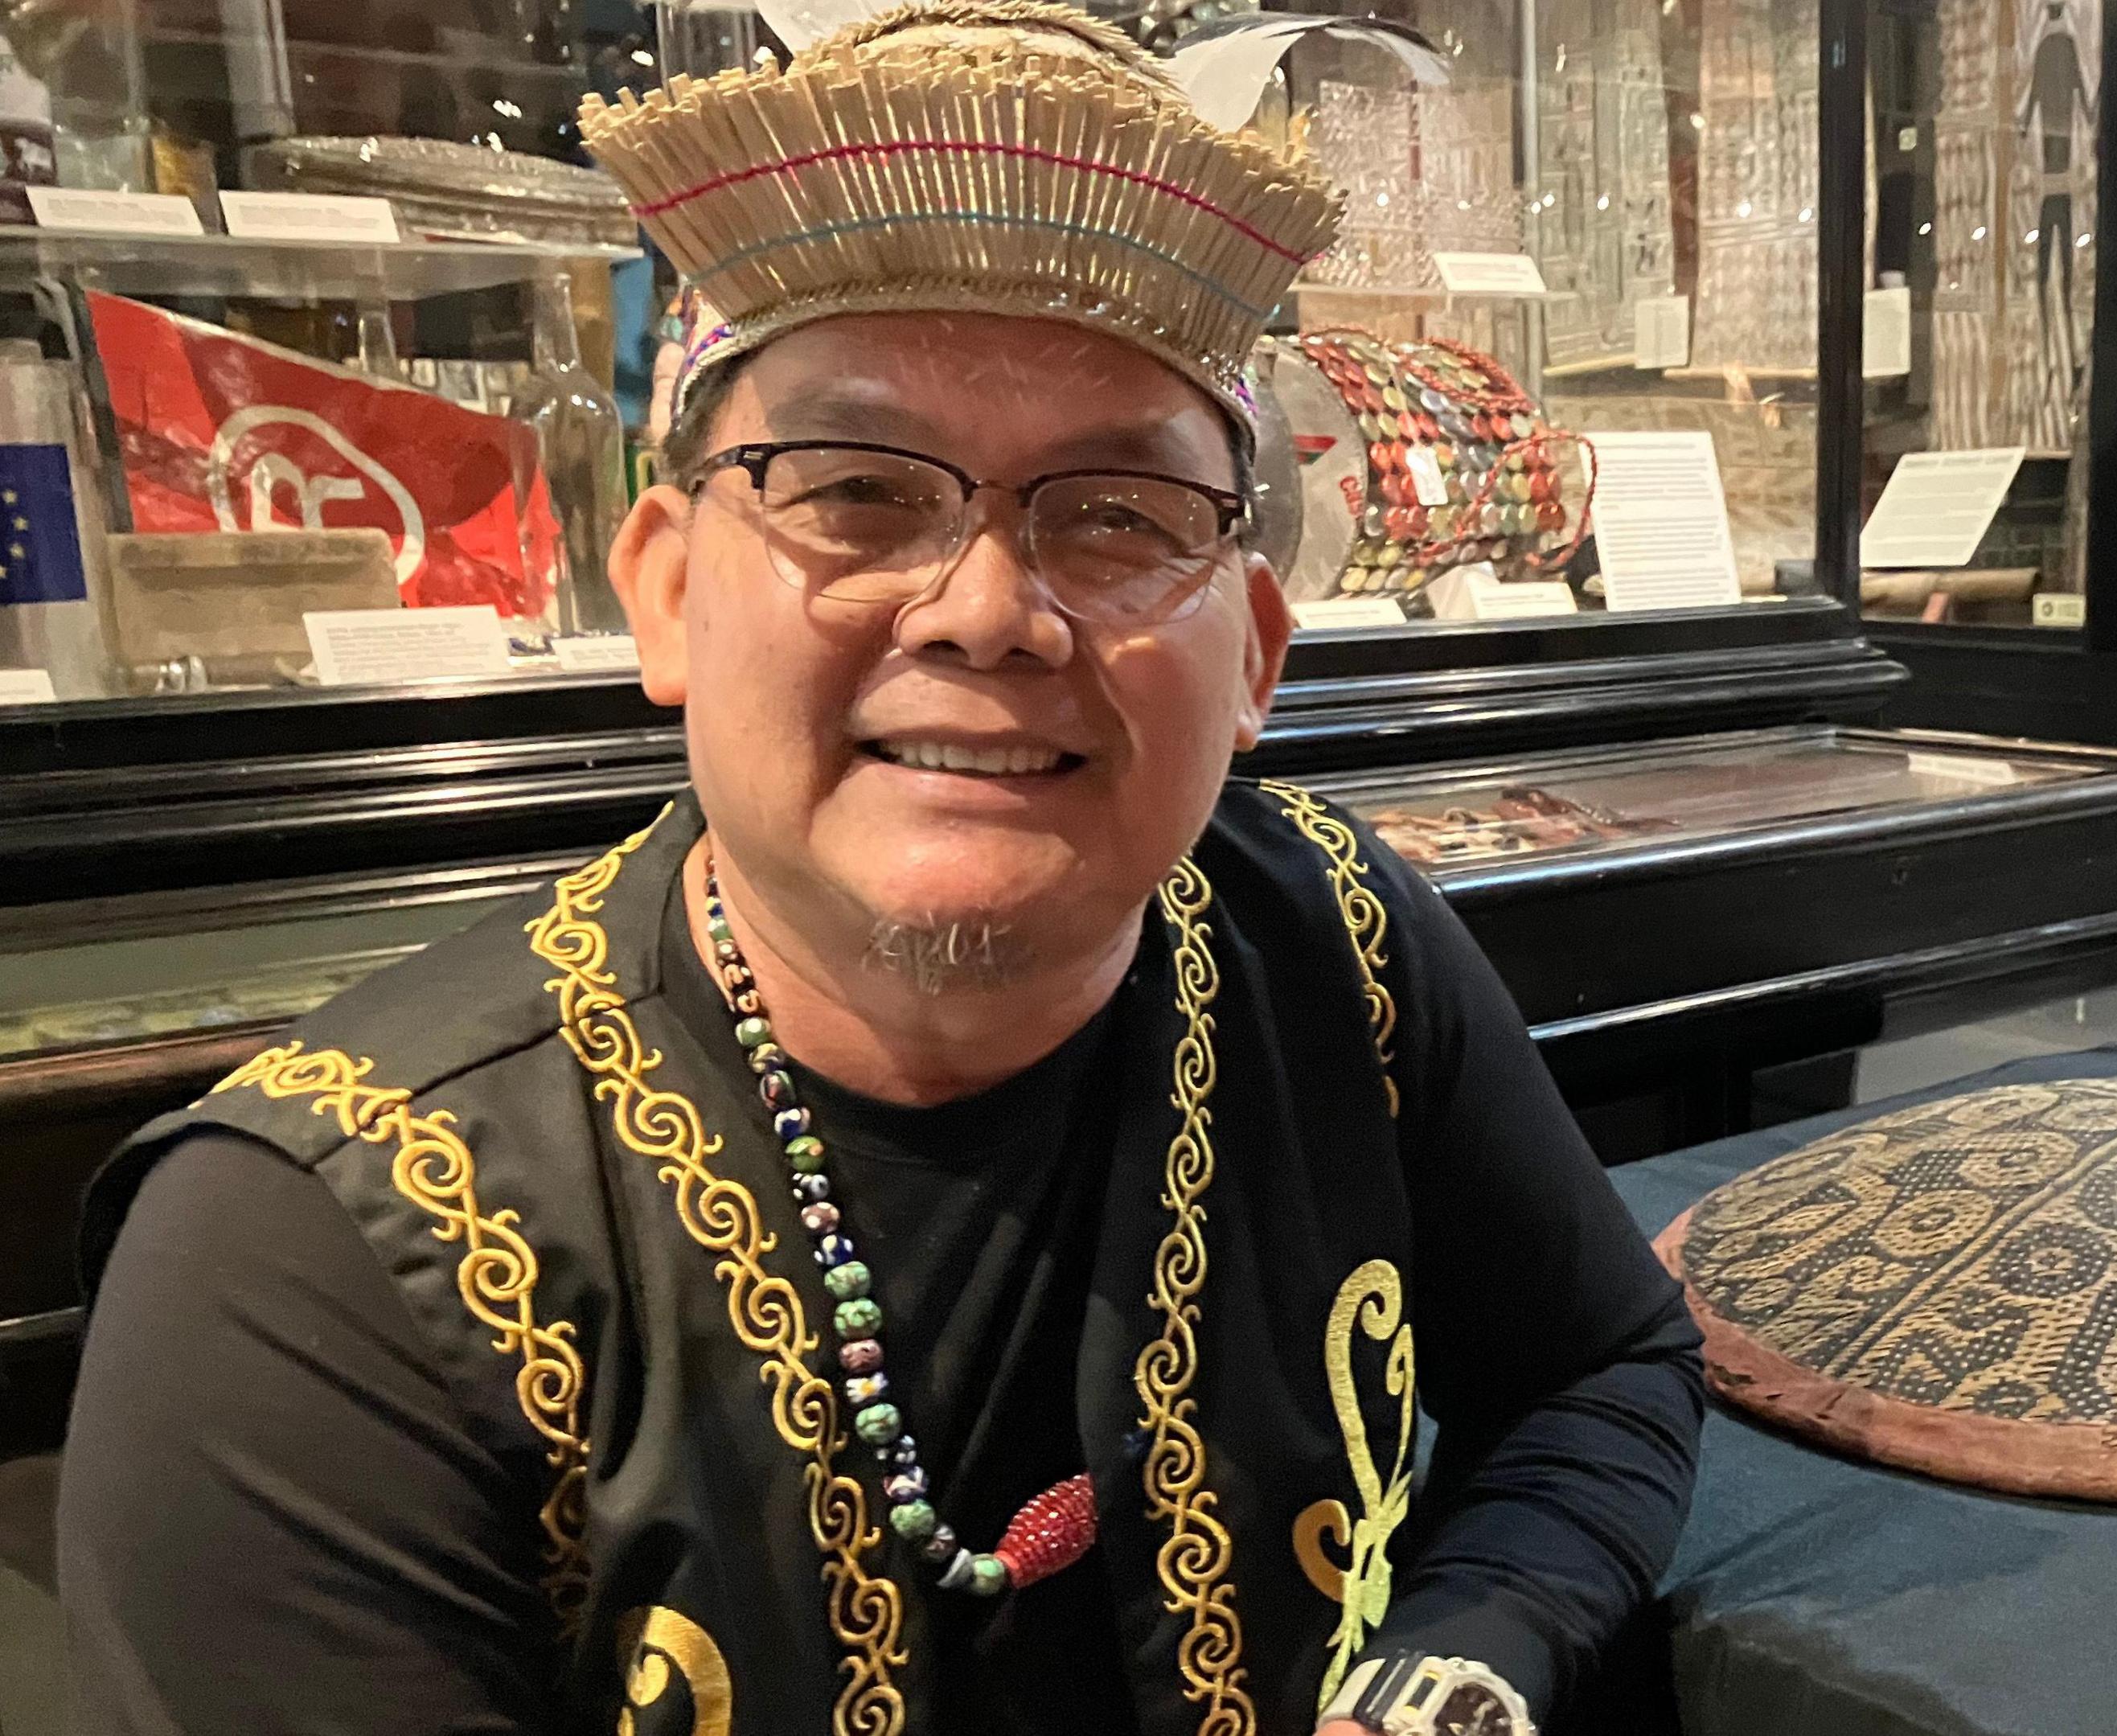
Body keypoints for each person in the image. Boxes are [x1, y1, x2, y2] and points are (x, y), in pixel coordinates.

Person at [55, 8, 1704, 1735]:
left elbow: (1602, 1376)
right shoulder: (317, 1274)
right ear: (669, 590)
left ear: (1257, 656)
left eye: (1120, 515)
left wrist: (1452, 1683)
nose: (989, 610)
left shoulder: (1329, 945)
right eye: (853, 492)